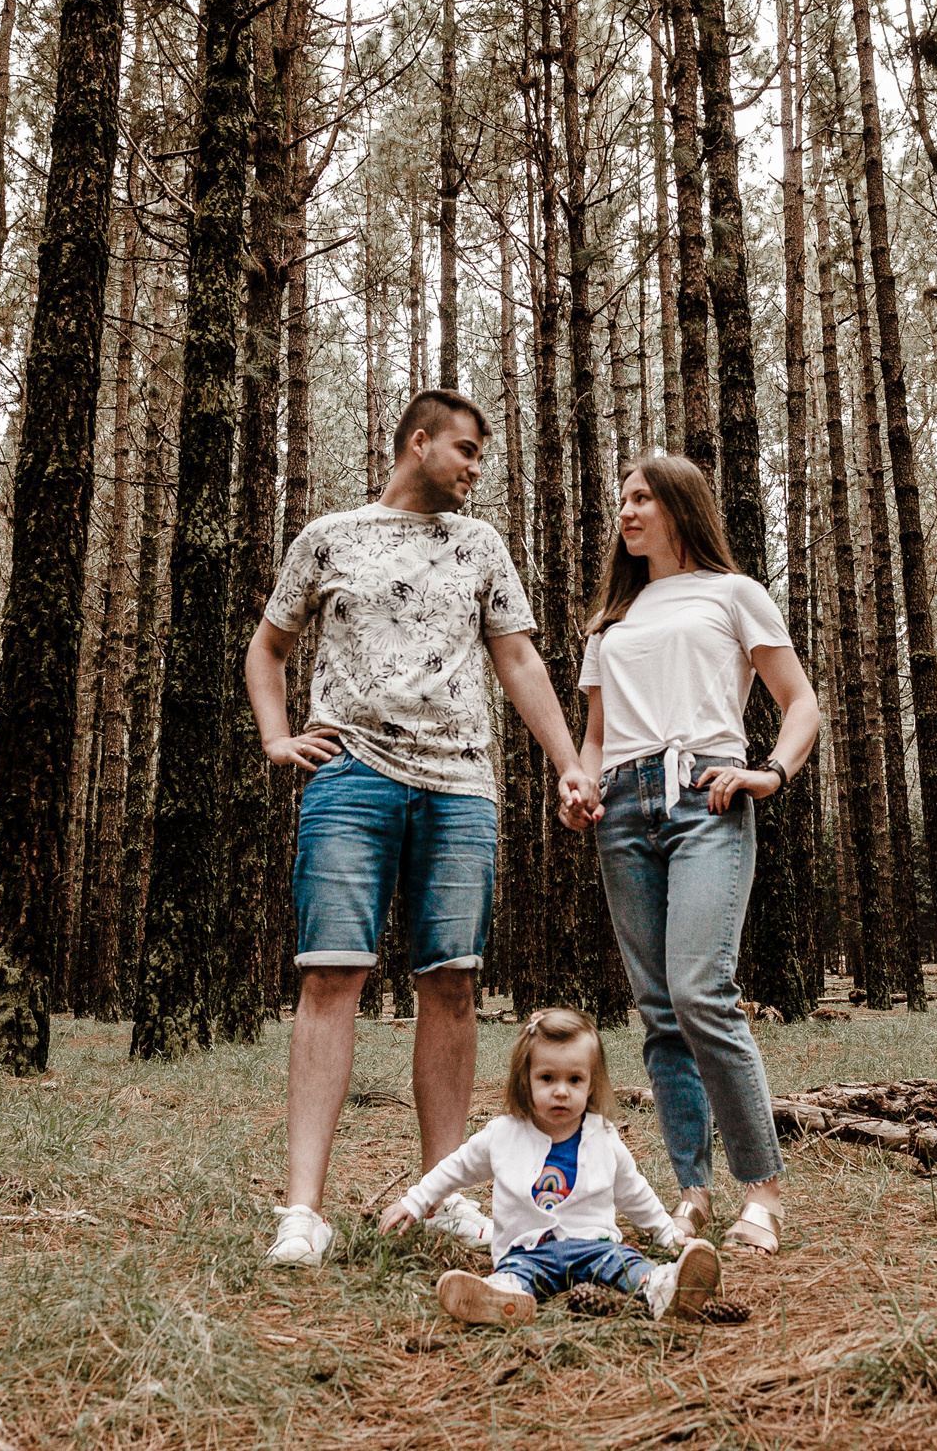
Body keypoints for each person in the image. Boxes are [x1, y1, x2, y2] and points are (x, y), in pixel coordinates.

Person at [251, 389, 595, 1267]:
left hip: (460, 788)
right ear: (419, 441)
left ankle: (441, 1197)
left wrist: (568, 761)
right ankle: (303, 1212)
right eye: (467, 449)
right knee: (331, 975)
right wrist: (278, 737)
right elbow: (268, 646)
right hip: (349, 779)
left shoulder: (481, 545)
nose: (477, 467)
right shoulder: (329, 537)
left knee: (452, 983)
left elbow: (517, 657)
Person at [562, 455, 821, 1256]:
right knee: (660, 1011)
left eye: (642, 497)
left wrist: (770, 772)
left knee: (701, 990)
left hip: (706, 796)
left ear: (680, 506)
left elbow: (801, 703)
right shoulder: (611, 621)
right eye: (622, 500)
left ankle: (763, 1193)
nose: (626, 512)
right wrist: (580, 785)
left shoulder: (733, 593)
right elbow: (596, 735)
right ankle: (693, 1195)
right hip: (621, 809)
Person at [383, 1008, 725, 1324]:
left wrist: (667, 1233)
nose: (561, 1091)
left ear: (591, 1084)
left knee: (626, 1263)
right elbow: (454, 1168)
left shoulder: (603, 1137)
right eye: (547, 1078)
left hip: (594, 1247)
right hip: (528, 1251)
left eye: (574, 1080)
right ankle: (501, 1299)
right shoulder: (503, 1135)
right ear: (526, 1080)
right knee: (513, 1274)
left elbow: (634, 1193)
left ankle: (663, 1287)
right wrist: (415, 1201)